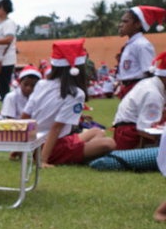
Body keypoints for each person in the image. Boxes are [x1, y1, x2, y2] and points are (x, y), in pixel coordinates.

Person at [22, 39, 115, 168]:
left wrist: (21, 145)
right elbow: (56, 127)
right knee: (109, 143)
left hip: (36, 143)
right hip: (52, 146)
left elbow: (25, 116)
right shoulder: (75, 93)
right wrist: (43, 160)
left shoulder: (42, 84)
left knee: (97, 132)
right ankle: (82, 155)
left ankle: (82, 153)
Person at [111, 51, 166, 150]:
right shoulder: (152, 94)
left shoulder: (150, 83)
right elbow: (147, 130)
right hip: (130, 137)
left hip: (126, 132)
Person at [115, 5, 164, 99]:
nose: (120, 25)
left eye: (125, 21)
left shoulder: (142, 45)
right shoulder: (130, 44)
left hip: (138, 89)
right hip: (128, 88)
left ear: (138, 24)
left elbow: (149, 72)